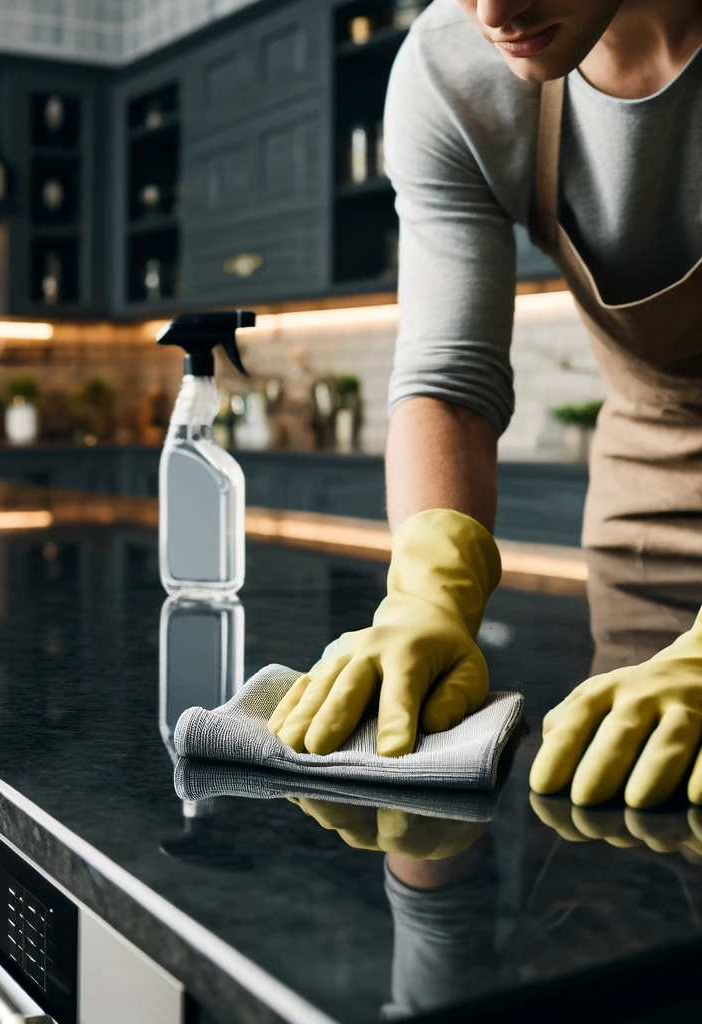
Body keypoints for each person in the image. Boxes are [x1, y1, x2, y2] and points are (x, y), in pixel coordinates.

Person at [269, 0, 702, 809]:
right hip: (653, 498)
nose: (493, 11)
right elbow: (450, 375)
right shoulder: (451, 71)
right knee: (626, 837)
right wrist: (427, 593)